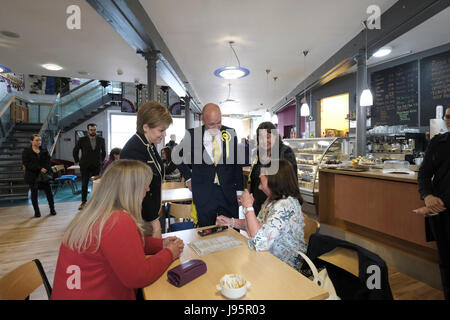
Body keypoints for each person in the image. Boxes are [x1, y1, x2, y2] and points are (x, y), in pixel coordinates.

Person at [51, 160, 184, 300]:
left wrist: (160, 244)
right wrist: (170, 252)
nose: (148, 189)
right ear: (131, 190)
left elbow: (123, 249)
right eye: (144, 185)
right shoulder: (117, 220)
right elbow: (139, 277)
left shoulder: (95, 214)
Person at [216, 159, 306, 269]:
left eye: (261, 182)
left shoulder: (285, 206)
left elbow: (260, 242)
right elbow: (257, 226)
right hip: (267, 258)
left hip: (284, 267)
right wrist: (231, 222)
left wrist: (248, 207)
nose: (259, 187)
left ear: (274, 181)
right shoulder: (272, 200)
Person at [174, 103, 243, 227]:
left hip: (227, 192)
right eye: (211, 124)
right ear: (202, 119)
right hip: (204, 193)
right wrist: (188, 177)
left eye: (219, 122)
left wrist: (239, 191)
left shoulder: (230, 133)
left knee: (231, 232)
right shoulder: (192, 135)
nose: (216, 127)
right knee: (206, 231)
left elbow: (236, 164)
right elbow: (176, 155)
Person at [121, 101, 172, 238]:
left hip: (152, 214)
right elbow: (138, 191)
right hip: (142, 218)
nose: (164, 134)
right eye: (161, 130)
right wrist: (154, 221)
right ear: (145, 127)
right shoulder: (134, 150)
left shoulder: (148, 144)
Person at [417, 105, 450, 300]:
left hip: (442, 207)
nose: (449, 121)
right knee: (446, 262)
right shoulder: (438, 142)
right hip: (441, 214)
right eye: (448, 117)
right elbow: (423, 175)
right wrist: (427, 196)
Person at [248, 121, 298, 216]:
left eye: (268, 137)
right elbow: (254, 178)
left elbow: (290, 181)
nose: (264, 141)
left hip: (278, 205)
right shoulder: (259, 153)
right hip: (259, 203)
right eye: (261, 138)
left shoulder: (285, 152)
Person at [73, 123, 106, 210]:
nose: (93, 131)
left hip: (96, 165)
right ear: (88, 130)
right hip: (85, 165)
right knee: (84, 184)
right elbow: (75, 150)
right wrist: (78, 161)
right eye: (91, 130)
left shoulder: (101, 139)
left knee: (97, 184)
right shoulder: (82, 139)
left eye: (94, 130)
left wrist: (101, 161)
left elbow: (104, 152)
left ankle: (97, 202)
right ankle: (83, 202)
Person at [22, 134, 56, 217]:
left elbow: (49, 161)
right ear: (31, 141)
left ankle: (52, 209)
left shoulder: (44, 150)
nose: (39, 142)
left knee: (49, 194)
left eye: (40, 140)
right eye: (37, 140)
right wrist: (39, 168)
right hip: (32, 176)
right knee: (34, 194)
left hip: (44, 176)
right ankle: (37, 212)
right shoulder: (26, 151)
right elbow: (27, 163)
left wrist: (46, 168)